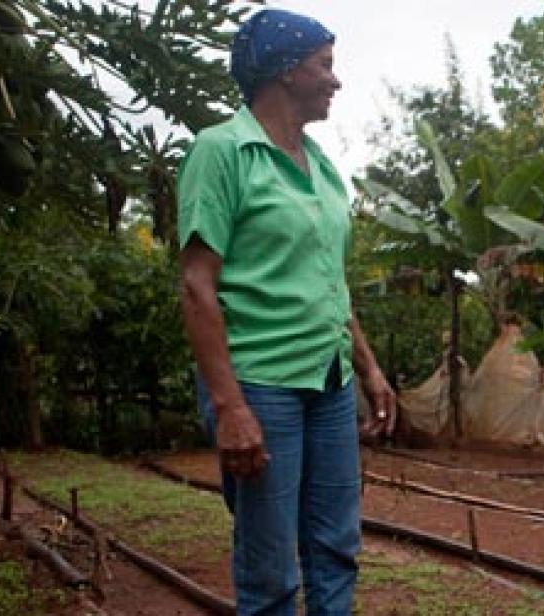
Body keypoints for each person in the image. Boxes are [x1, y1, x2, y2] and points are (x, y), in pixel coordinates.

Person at [177, 9, 397, 615]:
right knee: (271, 568)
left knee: (336, 549)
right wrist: (230, 407)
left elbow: (329, 282)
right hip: (260, 384)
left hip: (329, 384)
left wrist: (369, 369)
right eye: (324, 66)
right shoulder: (222, 152)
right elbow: (197, 286)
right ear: (283, 70)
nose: (335, 80)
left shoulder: (321, 165)